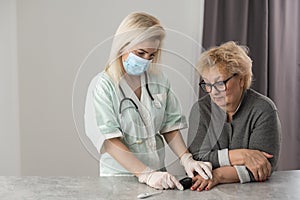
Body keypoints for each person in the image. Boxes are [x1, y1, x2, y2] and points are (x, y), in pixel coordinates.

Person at [85, 12, 212, 190]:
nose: (145, 60)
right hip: (119, 181)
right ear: (123, 46)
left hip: (158, 176)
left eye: (151, 55)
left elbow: (170, 126)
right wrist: (145, 174)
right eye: (140, 53)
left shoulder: (159, 80)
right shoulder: (103, 86)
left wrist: (186, 158)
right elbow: (109, 141)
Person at [187, 41, 281, 191]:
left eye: (219, 83)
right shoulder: (200, 109)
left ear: (241, 80)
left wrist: (218, 175)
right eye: (207, 84)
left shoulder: (264, 109)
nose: (213, 92)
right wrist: (242, 155)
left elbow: (263, 167)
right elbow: (197, 157)